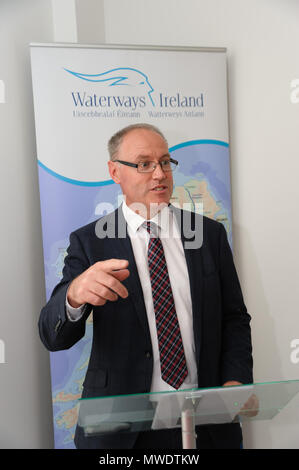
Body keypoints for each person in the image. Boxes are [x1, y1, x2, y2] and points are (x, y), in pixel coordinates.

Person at [38, 123, 253, 449]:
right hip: (122, 430)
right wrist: (74, 295)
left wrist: (235, 382)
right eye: (144, 164)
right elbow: (53, 335)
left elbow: (234, 317)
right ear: (114, 171)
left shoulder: (208, 235)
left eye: (165, 162)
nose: (159, 174)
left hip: (204, 423)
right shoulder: (90, 241)